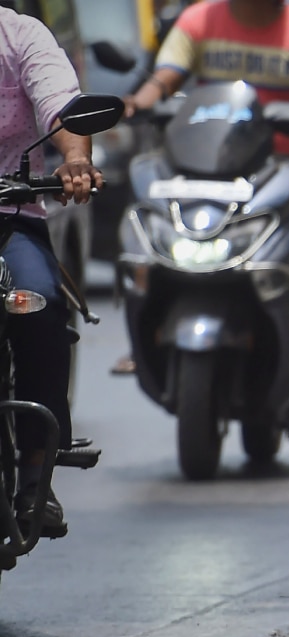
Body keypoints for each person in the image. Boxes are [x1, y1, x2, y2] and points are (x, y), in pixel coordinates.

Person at [124, 0, 289, 324]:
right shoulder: (198, 19)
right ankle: (149, 321)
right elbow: (163, 80)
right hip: (204, 164)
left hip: (282, 164)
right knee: (146, 209)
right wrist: (136, 104)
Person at [0, 5, 106, 537]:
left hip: (11, 216)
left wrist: (75, 159)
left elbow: (61, 104)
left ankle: (37, 470)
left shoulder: (20, 35)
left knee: (39, 304)